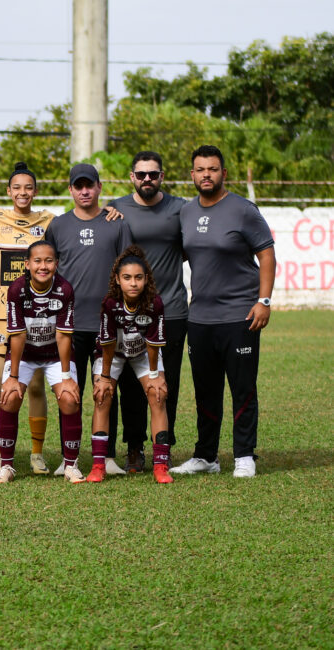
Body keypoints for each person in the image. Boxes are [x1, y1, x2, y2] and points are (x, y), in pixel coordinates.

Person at [172, 145, 275, 478]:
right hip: (199, 318)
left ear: (223, 173)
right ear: (192, 175)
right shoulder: (186, 212)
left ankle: (244, 455)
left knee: (242, 388)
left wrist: (264, 301)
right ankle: (206, 456)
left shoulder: (243, 210)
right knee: (205, 390)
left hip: (239, 317)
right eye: (200, 169)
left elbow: (268, 256)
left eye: (213, 169)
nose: (206, 175)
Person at [43, 163, 136, 476]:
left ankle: (106, 456)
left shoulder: (117, 224)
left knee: (105, 389)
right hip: (67, 326)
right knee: (68, 390)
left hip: (106, 324)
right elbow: (45, 271)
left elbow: (129, 272)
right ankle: (68, 458)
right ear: (70, 190)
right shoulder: (58, 226)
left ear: (99, 188)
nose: (84, 191)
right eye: (78, 186)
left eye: (89, 185)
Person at [106, 151, 189, 473]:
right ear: (132, 177)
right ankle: (134, 447)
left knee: (168, 383)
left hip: (172, 310)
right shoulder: (116, 209)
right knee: (130, 383)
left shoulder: (181, 209)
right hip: (128, 313)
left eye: (153, 174)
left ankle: (163, 447)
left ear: (162, 176)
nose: (147, 180)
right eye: (141, 175)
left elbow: (186, 249)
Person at [0, 163, 55, 475]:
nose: (23, 193)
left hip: (38, 315)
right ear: (8, 191)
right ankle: (1, 452)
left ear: (35, 191)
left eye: (29, 187)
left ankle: (37, 453)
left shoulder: (49, 221)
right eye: (17, 187)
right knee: (3, 386)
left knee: (37, 386)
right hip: (2, 315)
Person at [0, 241, 84, 484]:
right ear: (27, 264)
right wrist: (13, 377)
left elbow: (63, 335)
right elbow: (18, 335)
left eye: (48, 261)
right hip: (24, 354)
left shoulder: (64, 289)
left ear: (56, 264)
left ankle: (70, 465)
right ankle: (6, 465)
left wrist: (66, 376)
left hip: (55, 355)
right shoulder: (17, 290)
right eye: (37, 261)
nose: (43, 266)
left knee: (69, 398)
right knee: (10, 397)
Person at [88, 247, 172, 484]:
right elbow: (107, 343)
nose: (133, 283)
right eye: (127, 277)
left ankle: (160, 466)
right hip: (111, 354)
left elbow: (154, 343)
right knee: (102, 395)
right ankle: (98, 465)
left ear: (146, 279)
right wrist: (104, 377)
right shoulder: (110, 302)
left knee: (157, 394)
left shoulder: (154, 303)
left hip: (144, 353)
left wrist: (155, 375)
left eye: (138, 277)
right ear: (117, 279)